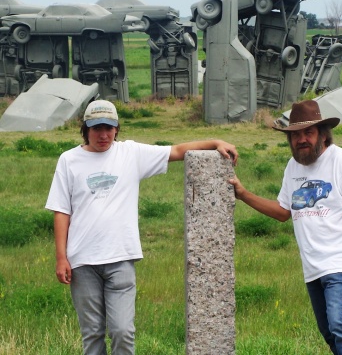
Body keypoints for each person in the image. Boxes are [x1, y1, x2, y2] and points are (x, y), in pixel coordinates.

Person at [45, 99, 238, 355]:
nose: (103, 135)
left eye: (109, 128)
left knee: (122, 331)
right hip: (82, 261)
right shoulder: (68, 160)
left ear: (117, 129)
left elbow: (177, 151)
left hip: (121, 258)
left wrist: (214, 142)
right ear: (85, 129)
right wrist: (61, 258)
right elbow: (61, 211)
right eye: (96, 128)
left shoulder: (130, 153)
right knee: (91, 334)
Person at [230, 100, 342, 355]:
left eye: (308, 132)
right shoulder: (293, 168)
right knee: (329, 331)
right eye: (296, 135)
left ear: (322, 134)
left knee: (340, 324)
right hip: (312, 267)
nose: (301, 139)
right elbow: (284, 212)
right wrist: (243, 194)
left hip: (340, 262)